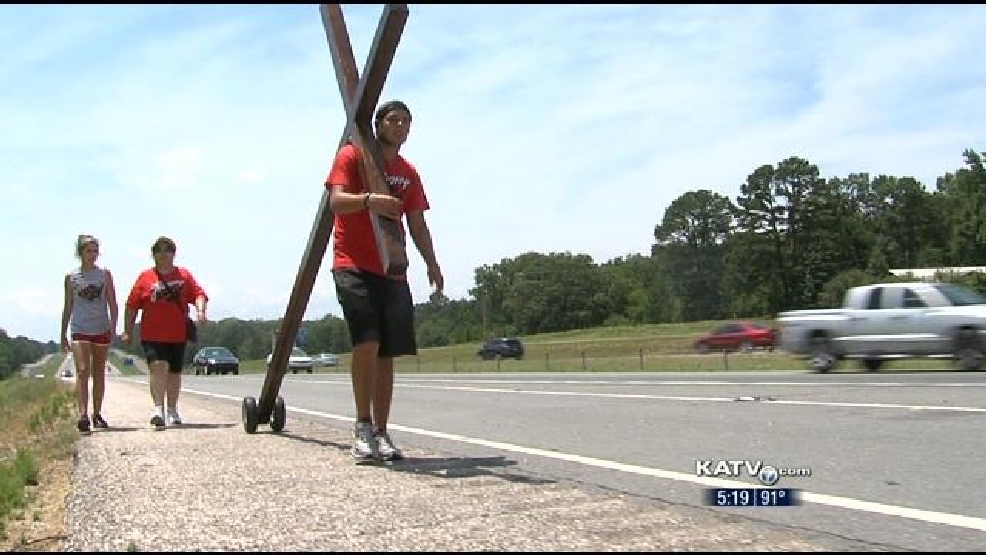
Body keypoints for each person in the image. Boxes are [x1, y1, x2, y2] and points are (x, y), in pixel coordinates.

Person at [325, 99, 444, 461]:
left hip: (392, 267)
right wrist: (368, 200)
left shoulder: (408, 172)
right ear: (377, 124)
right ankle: (361, 426)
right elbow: (337, 202)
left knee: (388, 352)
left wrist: (432, 264)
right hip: (353, 263)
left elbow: (418, 223)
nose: (400, 127)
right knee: (366, 342)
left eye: (406, 122)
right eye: (394, 120)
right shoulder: (352, 156)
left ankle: (381, 430)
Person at [121, 236, 208, 430]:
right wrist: (127, 330)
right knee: (158, 367)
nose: (163, 253)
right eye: (159, 250)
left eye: (167, 249)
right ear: (154, 255)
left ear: (173, 254)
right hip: (152, 333)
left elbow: (199, 294)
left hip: (177, 333)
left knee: (174, 373)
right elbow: (132, 306)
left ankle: (172, 409)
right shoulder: (145, 277)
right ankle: (158, 409)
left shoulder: (184, 275)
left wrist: (201, 311)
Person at [60, 234, 119, 433]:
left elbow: (112, 302)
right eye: (88, 251)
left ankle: (97, 413)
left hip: (101, 327)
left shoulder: (104, 274)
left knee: (98, 372)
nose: (92, 255)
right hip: (79, 328)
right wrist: (62, 333)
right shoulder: (72, 277)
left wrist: (113, 326)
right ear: (80, 253)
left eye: (95, 251)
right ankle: (83, 414)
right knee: (83, 370)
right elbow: (68, 305)